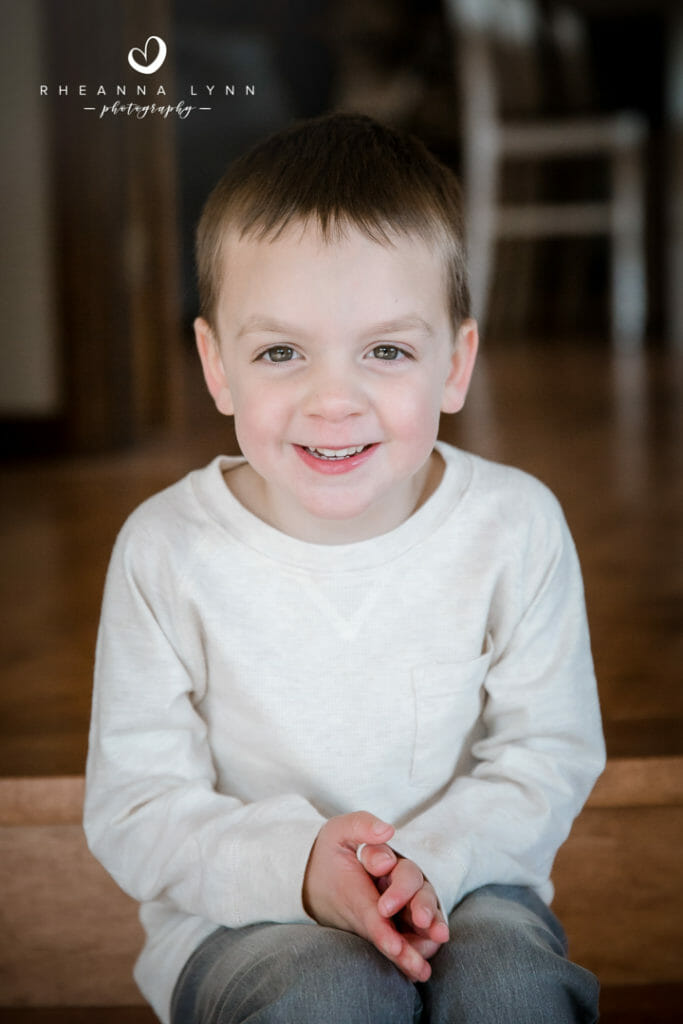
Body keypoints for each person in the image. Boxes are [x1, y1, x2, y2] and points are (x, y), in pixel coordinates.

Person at [84, 113, 606, 1023]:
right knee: (328, 991)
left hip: (470, 889)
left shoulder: (514, 527)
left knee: (511, 989)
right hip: (238, 922)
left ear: (455, 364)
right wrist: (298, 869)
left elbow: (546, 754)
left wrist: (430, 861)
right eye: (280, 352)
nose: (333, 401)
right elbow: (136, 806)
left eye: (387, 351)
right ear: (217, 365)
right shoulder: (165, 549)